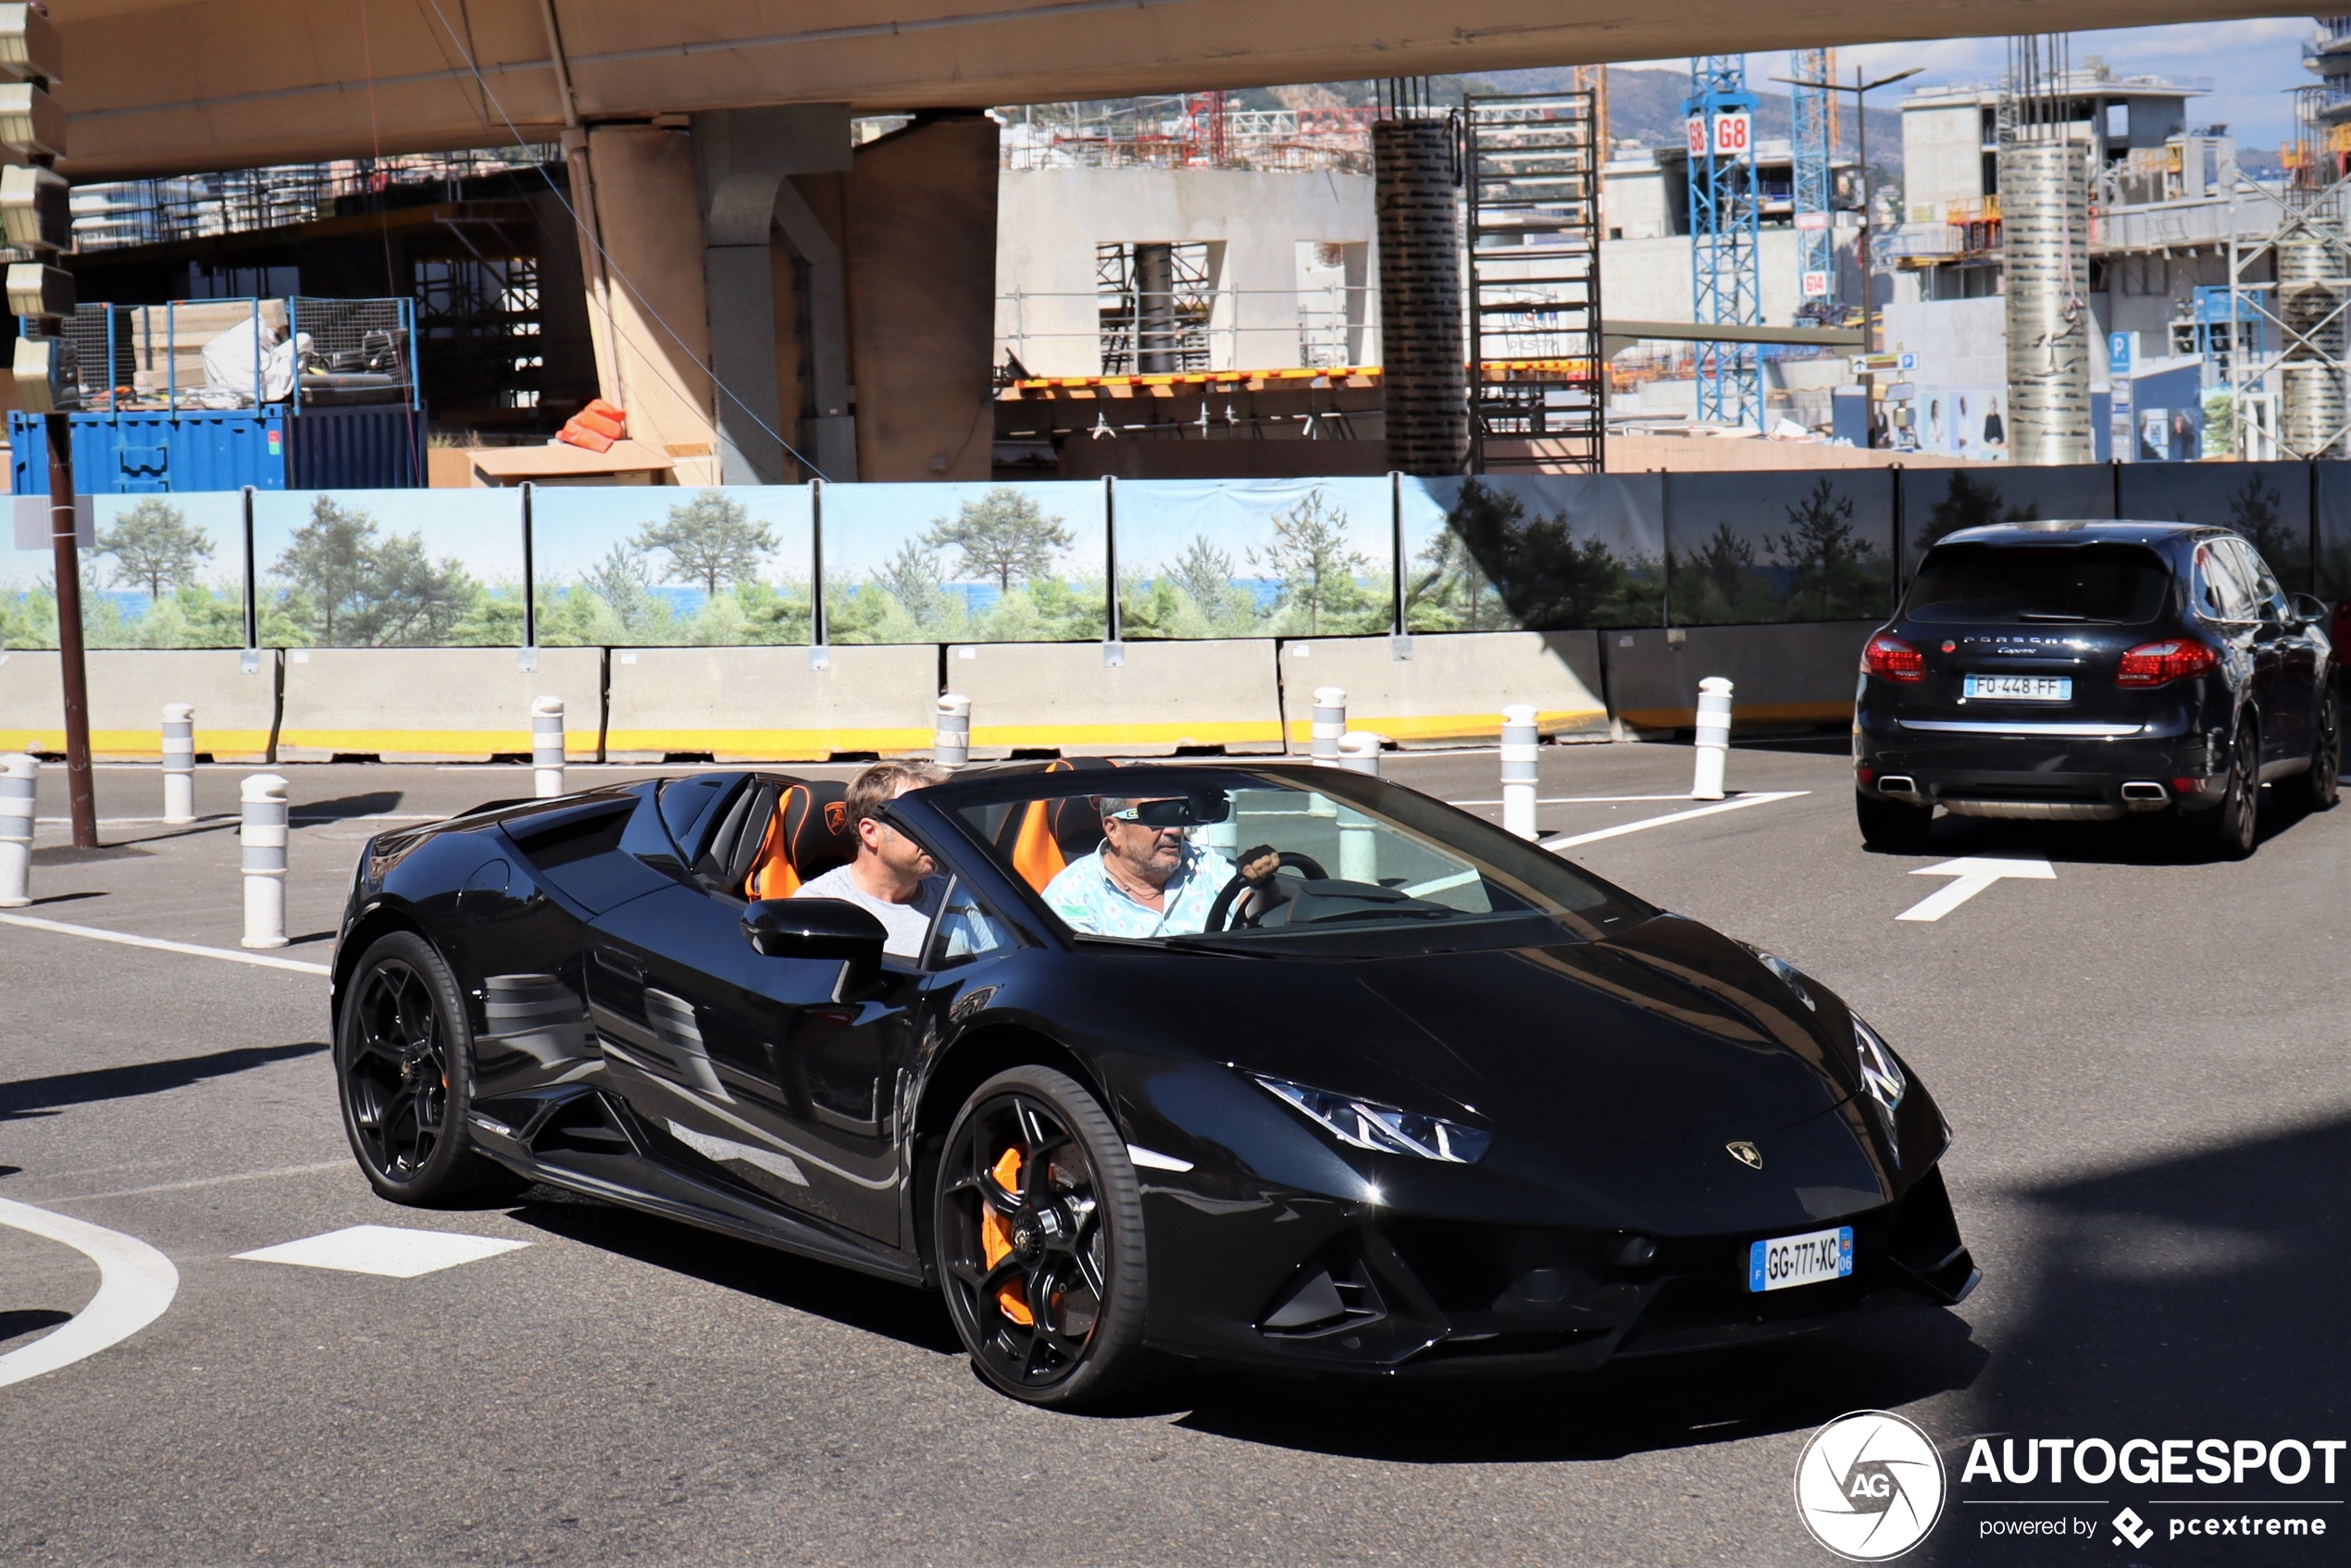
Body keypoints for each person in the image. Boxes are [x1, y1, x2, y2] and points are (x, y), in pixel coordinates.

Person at [1043, 794, 1280, 938]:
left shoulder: (1204, 863)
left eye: (1177, 816)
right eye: (1157, 818)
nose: (1175, 831)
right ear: (1113, 829)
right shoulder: (1072, 896)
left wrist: (1263, 882)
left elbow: (1256, 916)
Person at [790, 760, 952, 959]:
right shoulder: (817, 908)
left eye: (937, 820)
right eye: (919, 821)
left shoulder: (956, 898)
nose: (934, 833)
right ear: (870, 833)